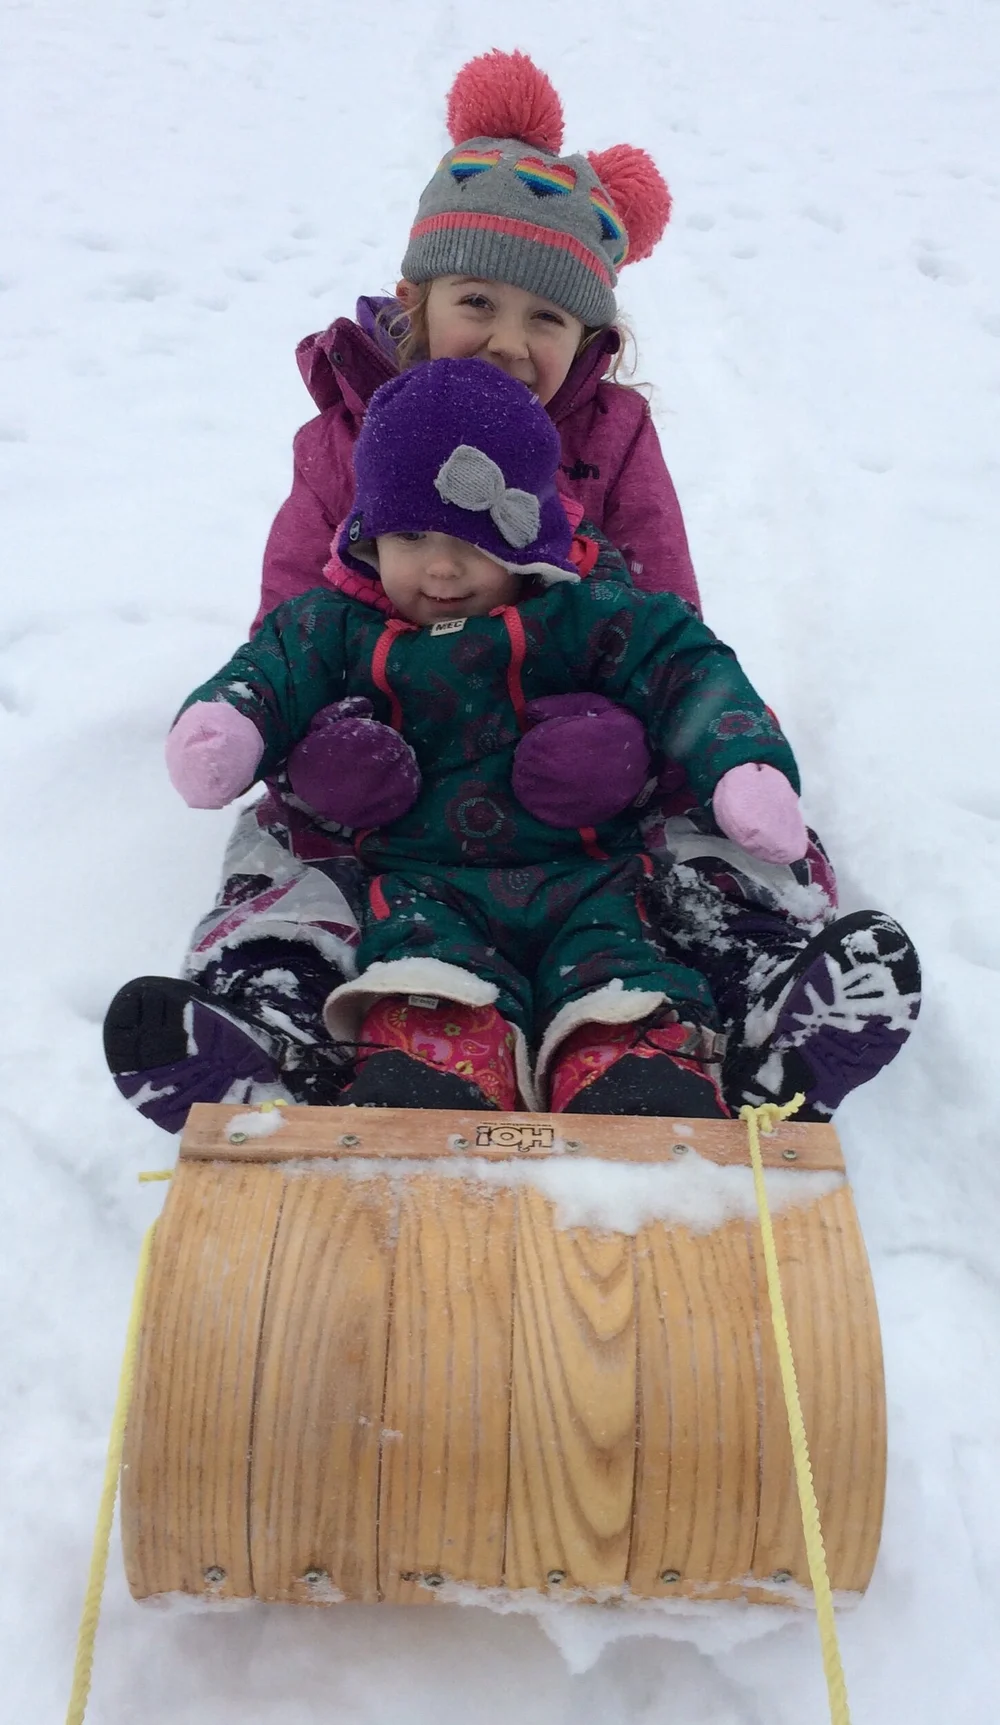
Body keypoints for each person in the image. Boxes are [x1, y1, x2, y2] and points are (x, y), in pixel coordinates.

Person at [103, 49, 919, 1131]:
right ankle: (273, 1012)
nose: (508, 339)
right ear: (415, 300)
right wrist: (331, 742)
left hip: (576, 750)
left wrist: (618, 732)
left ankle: (759, 986)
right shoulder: (343, 439)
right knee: (291, 845)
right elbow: (290, 627)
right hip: (393, 758)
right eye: (476, 300)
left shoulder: (614, 436)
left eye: (547, 319)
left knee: (693, 831)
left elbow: (667, 618)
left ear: (590, 338)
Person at [154, 358, 814, 1120]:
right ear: (368, 535)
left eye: (473, 538)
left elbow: (686, 666)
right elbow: (268, 674)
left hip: (591, 867)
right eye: (409, 535)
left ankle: (631, 1078)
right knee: (424, 975)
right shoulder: (335, 627)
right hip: (422, 879)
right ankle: (432, 1078)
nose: (440, 566)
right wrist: (229, 728)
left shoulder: (585, 612)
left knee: (620, 968)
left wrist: (739, 761)